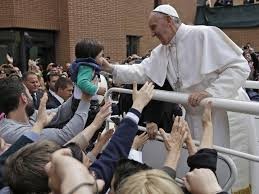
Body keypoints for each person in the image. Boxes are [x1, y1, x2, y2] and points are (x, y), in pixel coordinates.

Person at [101, 4, 257, 193]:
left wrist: (211, 92)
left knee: (229, 162)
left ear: (168, 20)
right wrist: (111, 68)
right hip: (193, 113)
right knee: (199, 157)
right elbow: (141, 71)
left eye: (153, 27)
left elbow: (240, 67)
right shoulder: (162, 50)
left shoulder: (204, 34)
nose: (151, 34)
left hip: (223, 109)